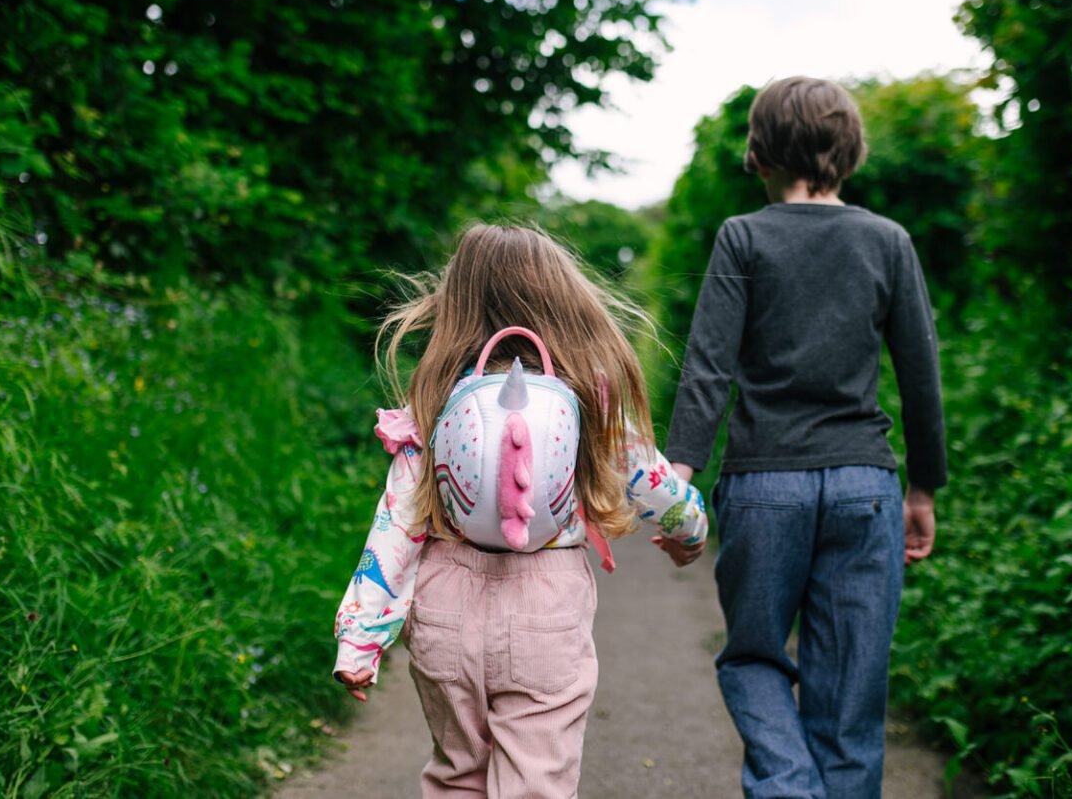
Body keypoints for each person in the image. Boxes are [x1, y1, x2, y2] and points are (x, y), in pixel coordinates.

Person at [333, 223, 709, 798]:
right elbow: (650, 479)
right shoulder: (589, 393)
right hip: (546, 608)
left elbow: (397, 522)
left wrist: (360, 637)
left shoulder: (435, 393)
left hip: (444, 606)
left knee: (457, 774)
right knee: (536, 781)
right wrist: (691, 527)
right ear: (560, 298)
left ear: (455, 302)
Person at [665, 76, 946, 799]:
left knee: (755, 660)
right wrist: (922, 488)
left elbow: (707, 368)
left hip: (764, 487)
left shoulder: (743, 238)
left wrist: (677, 484)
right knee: (851, 698)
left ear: (756, 156)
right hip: (865, 486)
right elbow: (921, 376)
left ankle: (786, 787)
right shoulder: (888, 241)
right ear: (850, 154)